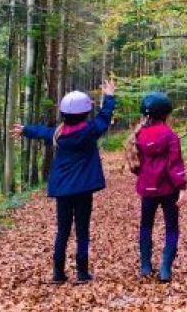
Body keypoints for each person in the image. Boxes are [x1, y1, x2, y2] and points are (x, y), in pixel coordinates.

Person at [11, 80, 116, 284]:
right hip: (83, 189)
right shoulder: (89, 131)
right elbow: (105, 117)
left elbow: (42, 131)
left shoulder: (58, 133)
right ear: (85, 113)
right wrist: (109, 96)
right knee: (82, 230)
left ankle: (58, 273)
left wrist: (25, 130)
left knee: (63, 231)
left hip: (63, 190)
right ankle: (82, 273)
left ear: (63, 114)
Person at [125, 92, 187, 282]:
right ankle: (165, 269)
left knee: (146, 226)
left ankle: (145, 266)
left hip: (147, 190)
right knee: (171, 228)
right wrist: (182, 187)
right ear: (165, 113)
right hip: (169, 190)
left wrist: (145, 178)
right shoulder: (170, 135)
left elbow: (136, 164)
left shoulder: (139, 135)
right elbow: (174, 164)